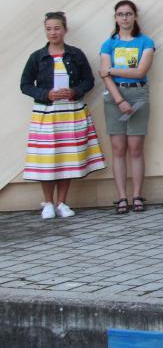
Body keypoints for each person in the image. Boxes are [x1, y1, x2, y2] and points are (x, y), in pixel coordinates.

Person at [20, 11, 106, 219]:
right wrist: (45, 93)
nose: (53, 32)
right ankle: (48, 203)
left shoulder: (76, 54)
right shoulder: (36, 57)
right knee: (47, 158)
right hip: (46, 113)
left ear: (65, 30)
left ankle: (62, 203)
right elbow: (24, 85)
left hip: (71, 113)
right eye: (49, 29)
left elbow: (89, 81)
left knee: (67, 156)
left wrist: (75, 91)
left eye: (57, 28)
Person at [99, 0, 155, 214]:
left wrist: (111, 70)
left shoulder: (145, 42)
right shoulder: (108, 44)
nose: (124, 18)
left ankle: (137, 195)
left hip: (138, 94)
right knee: (118, 149)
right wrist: (120, 101)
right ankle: (122, 197)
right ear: (115, 17)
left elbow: (140, 71)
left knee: (136, 148)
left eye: (129, 14)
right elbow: (104, 77)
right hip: (115, 96)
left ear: (135, 17)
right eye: (120, 14)